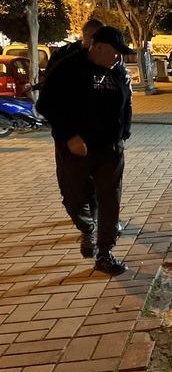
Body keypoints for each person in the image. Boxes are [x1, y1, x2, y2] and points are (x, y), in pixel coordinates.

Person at [36, 26, 133, 275]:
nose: (118, 58)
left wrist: (124, 131)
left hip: (110, 148)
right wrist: (69, 136)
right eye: (115, 52)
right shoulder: (68, 68)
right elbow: (46, 105)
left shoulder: (118, 71)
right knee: (75, 199)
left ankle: (105, 253)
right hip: (75, 150)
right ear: (98, 47)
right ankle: (87, 228)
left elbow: (126, 102)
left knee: (110, 198)